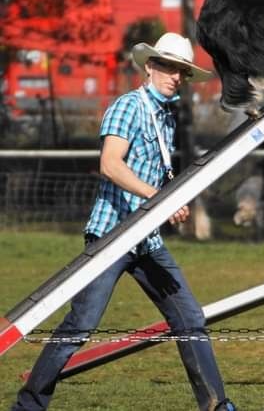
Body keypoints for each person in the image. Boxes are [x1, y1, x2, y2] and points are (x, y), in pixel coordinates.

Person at [13, 33, 237, 411]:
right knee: (80, 327)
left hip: (147, 241)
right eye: (167, 66)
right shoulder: (128, 107)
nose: (175, 76)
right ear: (149, 66)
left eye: (181, 70)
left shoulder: (166, 117)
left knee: (190, 319)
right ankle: (28, 406)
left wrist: (171, 204)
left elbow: (152, 179)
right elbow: (110, 165)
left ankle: (217, 405)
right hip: (111, 237)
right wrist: (158, 198)